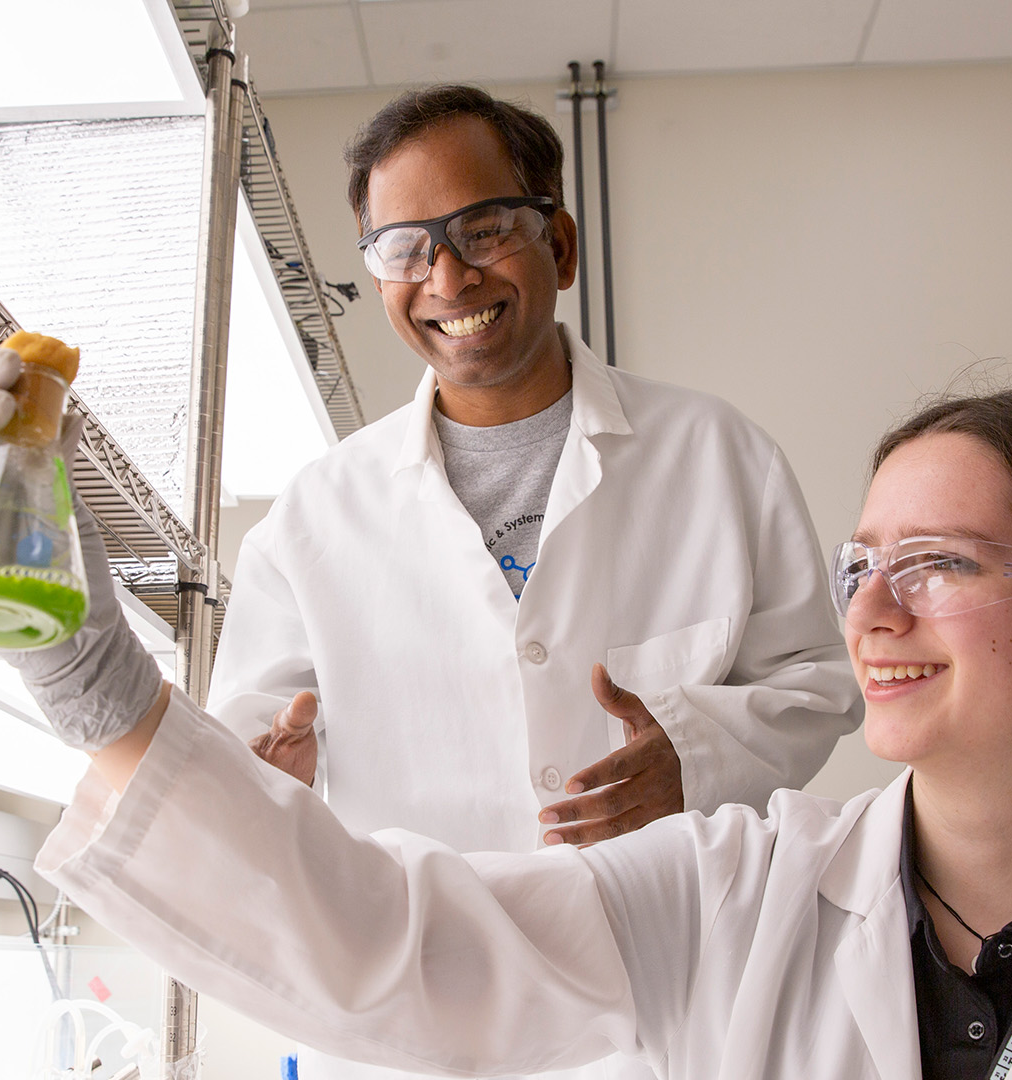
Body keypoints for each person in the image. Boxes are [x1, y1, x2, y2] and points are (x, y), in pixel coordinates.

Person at [0, 382, 1012, 1078]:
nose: (871, 614)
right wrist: (93, 681)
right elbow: (399, 946)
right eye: (862, 564)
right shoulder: (733, 892)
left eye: (934, 564)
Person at [213, 84, 860, 859]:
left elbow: (815, 684)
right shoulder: (313, 519)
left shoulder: (719, 456)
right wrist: (268, 781)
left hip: (668, 951)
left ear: (559, 246)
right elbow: (241, 752)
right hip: (432, 957)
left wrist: (698, 755)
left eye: (482, 232)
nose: (447, 280)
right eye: (405, 248)